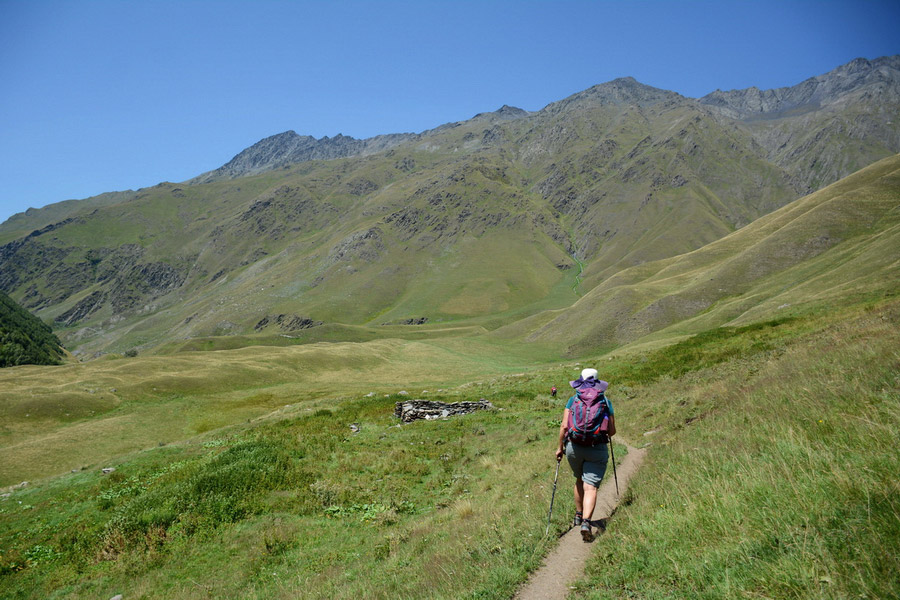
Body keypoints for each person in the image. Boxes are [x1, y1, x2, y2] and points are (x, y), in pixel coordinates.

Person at [555, 367, 616, 541]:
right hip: (596, 448)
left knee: (579, 479)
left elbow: (564, 427)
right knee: (591, 486)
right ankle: (586, 522)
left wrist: (560, 448)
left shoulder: (572, 400)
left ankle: (578, 515)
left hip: (574, 448)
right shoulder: (605, 401)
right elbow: (612, 431)